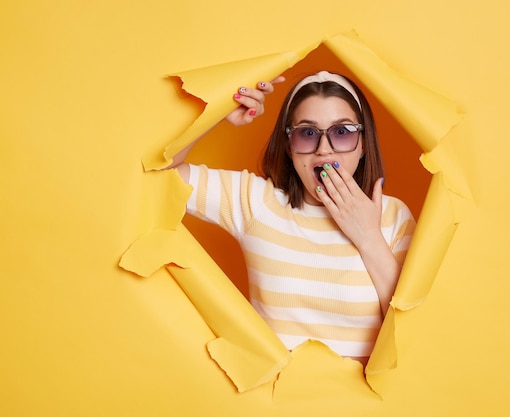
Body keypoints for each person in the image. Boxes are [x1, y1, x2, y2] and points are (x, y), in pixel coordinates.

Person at [169, 71, 415, 365]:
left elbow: (413, 328)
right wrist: (218, 111)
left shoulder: (394, 216)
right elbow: (162, 175)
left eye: (342, 132)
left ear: (363, 144)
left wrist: (368, 236)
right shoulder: (256, 201)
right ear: (289, 146)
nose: (324, 149)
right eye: (308, 133)